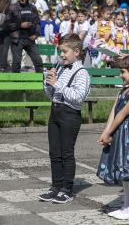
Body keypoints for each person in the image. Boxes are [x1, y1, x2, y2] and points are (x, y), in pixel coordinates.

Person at [96, 53, 129, 220]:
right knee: (123, 170)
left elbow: (122, 115)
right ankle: (127, 205)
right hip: (121, 132)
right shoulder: (124, 91)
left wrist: (109, 131)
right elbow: (114, 112)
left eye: (123, 72)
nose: (120, 75)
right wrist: (106, 132)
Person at [38, 34, 90, 203]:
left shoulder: (82, 73)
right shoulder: (60, 68)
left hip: (70, 115)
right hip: (55, 112)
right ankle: (55, 186)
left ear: (76, 52)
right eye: (61, 51)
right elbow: (52, 95)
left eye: (65, 52)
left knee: (66, 153)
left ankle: (67, 189)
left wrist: (58, 84)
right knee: (54, 152)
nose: (61, 55)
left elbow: (77, 97)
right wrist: (47, 83)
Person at [12, 0, 43, 73]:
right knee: (16, 62)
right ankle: (15, 83)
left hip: (30, 38)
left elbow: (38, 23)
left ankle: (39, 82)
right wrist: (20, 25)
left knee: (38, 61)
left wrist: (36, 35)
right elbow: (7, 24)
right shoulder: (13, 8)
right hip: (17, 39)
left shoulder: (32, 8)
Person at [0, 0, 21, 73]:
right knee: (5, 48)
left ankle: (1, 65)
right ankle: (3, 66)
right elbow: (10, 19)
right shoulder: (8, 8)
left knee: (1, 48)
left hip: (0, 29)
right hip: (7, 30)